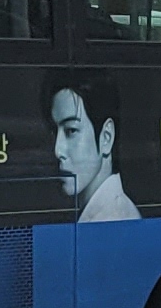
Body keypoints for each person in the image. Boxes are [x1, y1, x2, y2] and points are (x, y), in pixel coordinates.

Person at [51, 79, 136, 221]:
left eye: (71, 130)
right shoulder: (103, 213)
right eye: (54, 132)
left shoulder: (112, 220)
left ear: (106, 137)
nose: (57, 150)